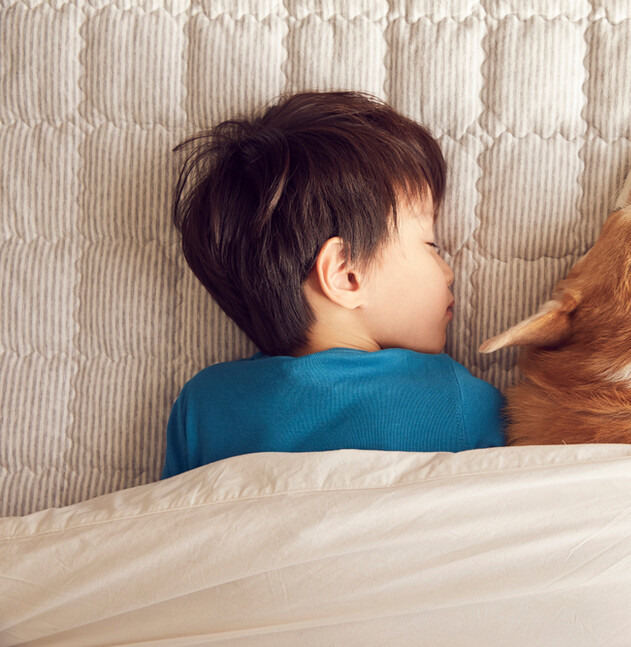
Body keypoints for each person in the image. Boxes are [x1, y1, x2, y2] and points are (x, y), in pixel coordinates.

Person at [161, 91, 505, 478]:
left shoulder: (205, 405)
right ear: (346, 274)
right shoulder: (457, 400)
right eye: (431, 245)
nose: (449, 271)